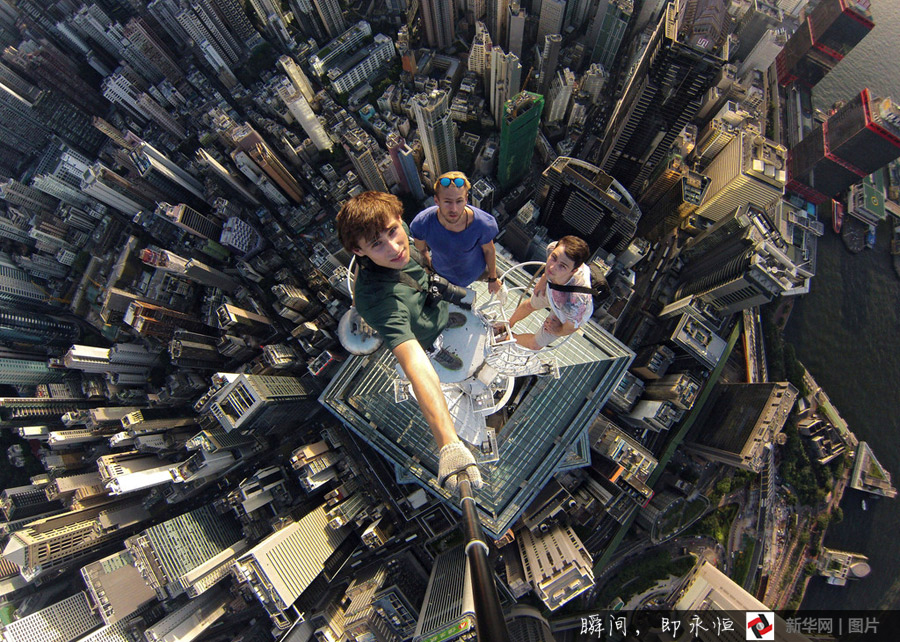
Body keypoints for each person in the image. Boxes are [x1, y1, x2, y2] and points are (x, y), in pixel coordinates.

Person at [335, 191, 482, 494]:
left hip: (430, 304)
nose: (393, 247)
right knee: (430, 353)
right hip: (421, 338)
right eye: (377, 243)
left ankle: (443, 320)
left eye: (392, 231)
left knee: (442, 312)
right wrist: (449, 443)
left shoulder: (407, 247)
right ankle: (439, 351)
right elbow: (414, 365)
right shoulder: (377, 300)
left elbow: (422, 266)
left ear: (400, 220)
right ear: (358, 251)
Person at [410, 171, 501, 295]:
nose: (454, 209)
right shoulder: (422, 223)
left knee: (502, 279)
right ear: (437, 200)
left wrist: (493, 278)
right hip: (442, 274)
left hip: (476, 270)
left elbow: (489, 250)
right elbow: (421, 250)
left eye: (459, 201)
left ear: (466, 199)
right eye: (447, 202)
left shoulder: (482, 224)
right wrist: (429, 270)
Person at [502, 236, 594, 350]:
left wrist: (558, 330)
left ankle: (508, 338)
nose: (552, 266)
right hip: (552, 288)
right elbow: (551, 266)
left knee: (535, 345)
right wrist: (544, 278)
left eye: (562, 266)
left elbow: (571, 327)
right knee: (530, 304)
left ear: (574, 271)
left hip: (564, 311)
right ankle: (506, 325)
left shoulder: (577, 303)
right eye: (554, 258)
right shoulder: (553, 248)